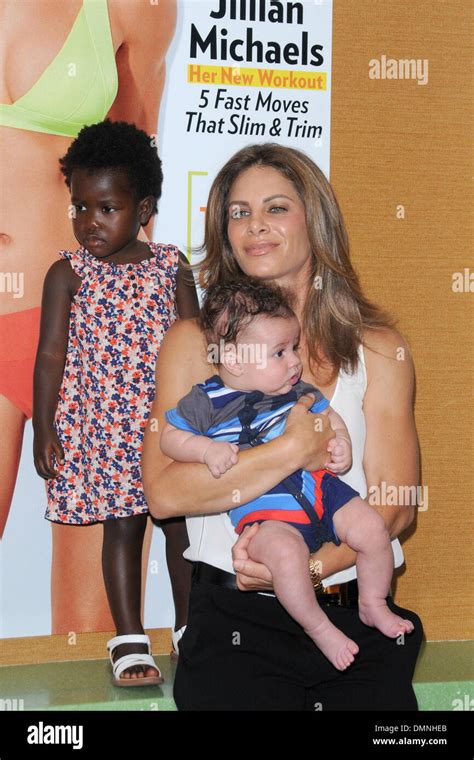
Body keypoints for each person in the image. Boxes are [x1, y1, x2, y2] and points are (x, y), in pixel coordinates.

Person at [142, 143, 423, 710]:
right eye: (238, 212)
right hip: (234, 631)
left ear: (314, 219)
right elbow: (165, 493)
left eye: (274, 208)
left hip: (357, 618)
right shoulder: (195, 345)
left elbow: (395, 504)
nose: (254, 226)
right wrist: (296, 447)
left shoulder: (379, 349)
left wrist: (305, 572)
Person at [0, 0, 190, 642]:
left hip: (86, 336)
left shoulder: (138, 5)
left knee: (94, 633)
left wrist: (149, 351)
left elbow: (140, 158)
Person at [160, 278, 415, 671]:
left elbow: (330, 417)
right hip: (268, 516)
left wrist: (341, 443)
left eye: (293, 347)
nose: (295, 361)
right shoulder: (206, 400)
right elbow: (171, 438)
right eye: (279, 352)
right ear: (234, 360)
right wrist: (205, 449)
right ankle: (320, 629)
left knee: (370, 528)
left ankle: (373, 602)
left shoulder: (297, 392)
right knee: (286, 557)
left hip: (322, 494)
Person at [33, 119, 198, 684]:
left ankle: (189, 629)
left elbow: (194, 345)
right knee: (123, 527)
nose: (89, 222)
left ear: (144, 207)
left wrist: (206, 423)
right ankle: (128, 637)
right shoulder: (67, 274)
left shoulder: (172, 268)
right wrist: (45, 428)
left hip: (168, 425)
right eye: (80, 207)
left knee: (181, 526)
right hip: (103, 425)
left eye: (106, 208)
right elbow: (50, 355)